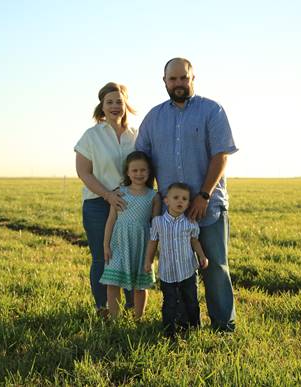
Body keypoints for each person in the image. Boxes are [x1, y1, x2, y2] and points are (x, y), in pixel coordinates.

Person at [136, 57, 238, 332]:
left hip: (208, 205)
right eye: (173, 79)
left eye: (184, 78)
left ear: (193, 79)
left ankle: (223, 327)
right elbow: (142, 161)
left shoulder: (211, 110)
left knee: (215, 266)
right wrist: (154, 205)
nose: (178, 83)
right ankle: (183, 325)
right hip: (171, 215)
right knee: (176, 270)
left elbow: (221, 155)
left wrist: (203, 195)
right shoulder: (153, 117)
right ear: (165, 81)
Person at [74, 82, 137, 319]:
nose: (114, 106)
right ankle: (104, 308)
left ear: (126, 104)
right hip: (98, 204)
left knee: (131, 253)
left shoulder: (136, 135)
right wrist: (108, 195)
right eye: (109, 102)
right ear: (101, 106)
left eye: (119, 101)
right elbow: (84, 172)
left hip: (131, 203)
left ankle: (132, 308)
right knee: (104, 255)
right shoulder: (91, 136)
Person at [100, 151, 161, 319]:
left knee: (140, 285)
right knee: (112, 283)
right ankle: (115, 317)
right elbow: (111, 221)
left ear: (149, 172)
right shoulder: (119, 192)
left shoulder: (153, 196)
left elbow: (155, 226)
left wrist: (152, 251)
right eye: (135, 170)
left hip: (142, 244)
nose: (139, 174)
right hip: (119, 243)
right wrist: (106, 245)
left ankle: (138, 317)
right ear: (127, 172)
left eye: (143, 170)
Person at [144, 182, 209, 338]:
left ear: (188, 203)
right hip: (167, 271)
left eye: (184, 199)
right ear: (167, 201)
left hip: (187, 269)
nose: (180, 201)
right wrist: (148, 261)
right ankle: (169, 332)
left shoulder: (190, 223)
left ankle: (194, 328)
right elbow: (153, 242)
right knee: (169, 303)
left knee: (191, 300)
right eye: (176, 198)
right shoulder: (158, 222)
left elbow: (194, 241)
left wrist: (202, 255)